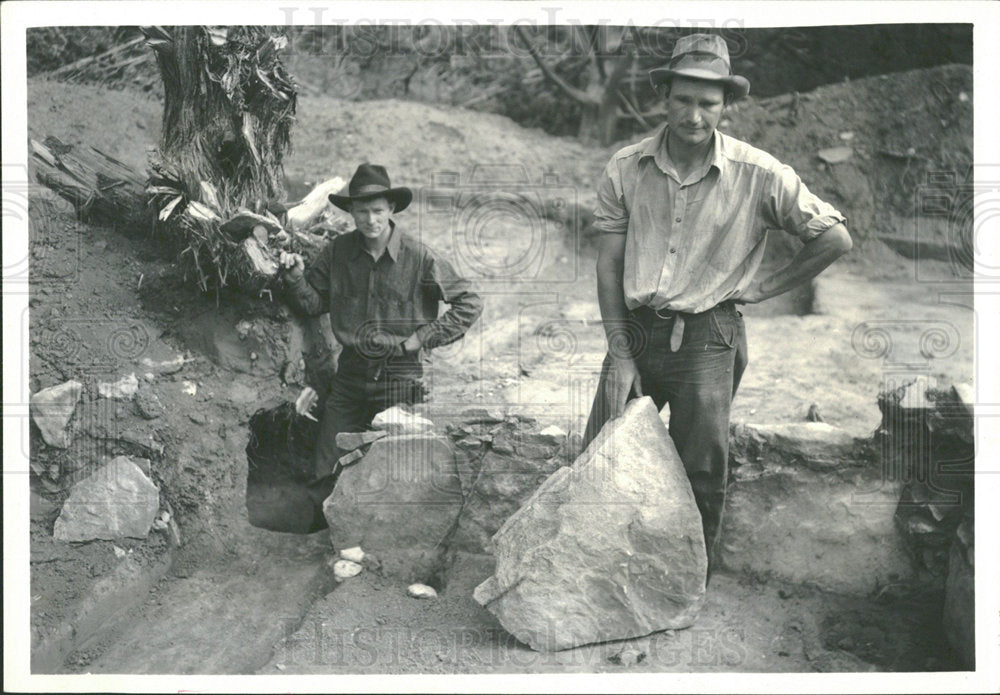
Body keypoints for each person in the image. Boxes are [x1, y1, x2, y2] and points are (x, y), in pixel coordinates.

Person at [583, 34, 853, 577]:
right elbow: (609, 268)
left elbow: (834, 238)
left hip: (709, 338)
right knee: (600, 455)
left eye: (708, 103)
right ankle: (594, 569)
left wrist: (763, 287)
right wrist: (622, 352)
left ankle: (684, 580)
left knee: (699, 468)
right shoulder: (625, 167)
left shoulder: (759, 173)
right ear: (665, 97)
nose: (693, 114)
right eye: (683, 99)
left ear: (725, 105)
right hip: (634, 330)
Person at [279, 163, 483, 523]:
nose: (370, 219)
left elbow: (469, 303)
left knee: (395, 467)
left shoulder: (420, 257)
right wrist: (295, 278)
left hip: (400, 376)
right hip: (351, 373)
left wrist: (420, 338)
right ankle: (321, 540)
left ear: (390, 211)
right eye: (362, 211)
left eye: (377, 210)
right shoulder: (338, 252)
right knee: (326, 460)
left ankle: (381, 543)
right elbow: (313, 304)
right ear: (351, 212)